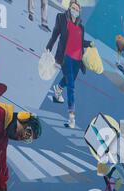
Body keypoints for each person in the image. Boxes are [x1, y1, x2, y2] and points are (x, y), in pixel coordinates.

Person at [46, 0, 94, 129]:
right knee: (72, 86)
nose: (75, 10)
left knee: (68, 80)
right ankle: (71, 117)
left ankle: (58, 90)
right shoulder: (62, 18)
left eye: (77, 9)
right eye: (73, 8)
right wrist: (48, 47)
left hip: (77, 60)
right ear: (69, 8)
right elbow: (55, 33)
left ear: (79, 12)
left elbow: (79, 42)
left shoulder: (81, 27)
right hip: (65, 56)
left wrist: (89, 43)